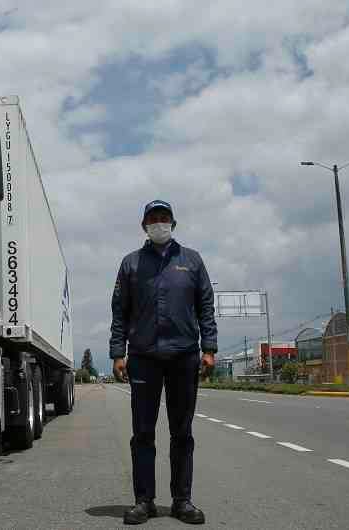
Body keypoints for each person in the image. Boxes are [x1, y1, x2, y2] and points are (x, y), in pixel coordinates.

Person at [110, 199, 217, 525]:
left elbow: (205, 306)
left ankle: (182, 501)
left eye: (164, 217)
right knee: (143, 433)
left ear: (173, 223)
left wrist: (209, 348)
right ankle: (144, 501)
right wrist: (118, 353)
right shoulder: (131, 264)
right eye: (153, 218)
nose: (159, 222)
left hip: (184, 357)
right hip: (143, 359)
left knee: (182, 432)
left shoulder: (192, 261)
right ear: (144, 226)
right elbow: (119, 311)